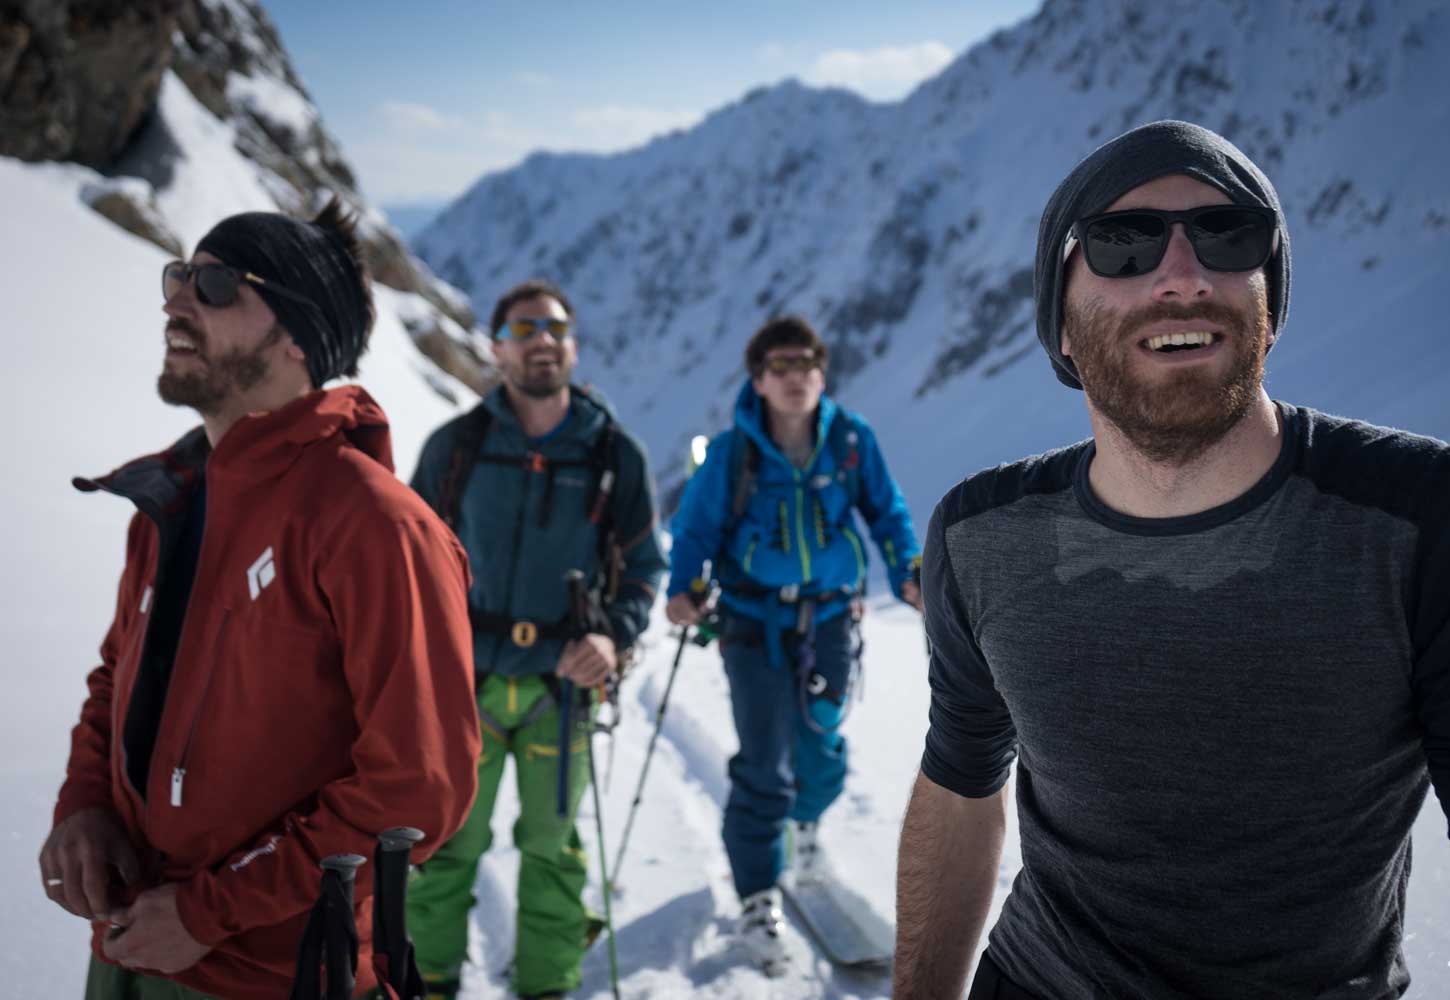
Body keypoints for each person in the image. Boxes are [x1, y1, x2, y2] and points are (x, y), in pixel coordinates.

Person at [893, 119, 1450, 1000]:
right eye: (1122, 243)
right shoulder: (981, 533)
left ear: (1269, 298)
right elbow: (959, 783)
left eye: (1227, 234)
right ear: (1059, 323)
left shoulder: (1430, 521)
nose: (1182, 274)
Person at [39, 199, 482, 1000]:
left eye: (214, 284)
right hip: (131, 948)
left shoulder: (374, 526)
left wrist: (210, 913)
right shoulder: (171, 498)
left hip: (275, 976)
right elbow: (116, 681)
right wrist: (85, 808)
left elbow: (418, 788)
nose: (175, 300)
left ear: (296, 336)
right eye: (178, 275)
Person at [404, 279, 667, 1000]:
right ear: (497, 349)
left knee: (553, 852)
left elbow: (645, 565)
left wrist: (613, 638)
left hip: (565, 685)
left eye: (554, 328)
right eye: (524, 330)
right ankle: (426, 982)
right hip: (464, 684)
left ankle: (546, 987)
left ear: (573, 346)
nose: (541, 341)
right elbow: (406, 562)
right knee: (447, 846)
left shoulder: (615, 455)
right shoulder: (457, 448)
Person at [666, 315, 921, 973]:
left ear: (822, 372)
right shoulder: (735, 453)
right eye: (780, 365)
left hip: (833, 619)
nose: (796, 375)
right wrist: (684, 587)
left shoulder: (851, 441)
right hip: (753, 625)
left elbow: (888, 513)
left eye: (806, 362)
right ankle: (757, 895)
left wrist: (909, 570)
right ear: (758, 378)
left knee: (824, 743)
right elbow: (694, 529)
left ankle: (803, 835)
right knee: (764, 763)